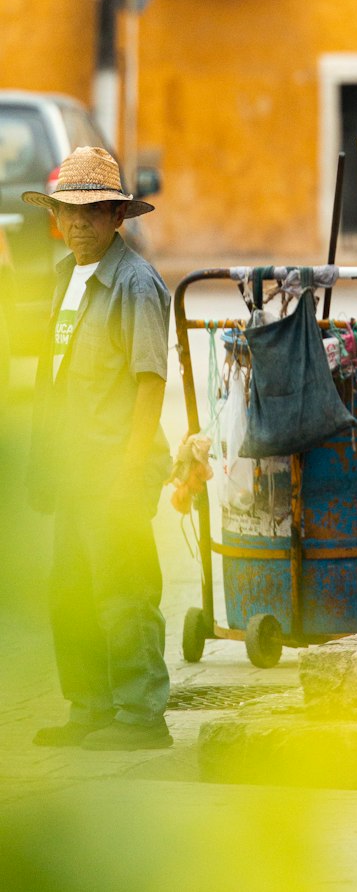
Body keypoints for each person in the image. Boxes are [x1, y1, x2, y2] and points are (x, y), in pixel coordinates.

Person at [23, 146, 173, 750]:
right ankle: (89, 708)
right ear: (56, 217)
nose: (79, 222)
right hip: (72, 465)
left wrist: (130, 471)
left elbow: (150, 385)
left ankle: (140, 717)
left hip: (115, 466)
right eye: (69, 211)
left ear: (118, 217)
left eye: (94, 211)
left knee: (124, 593)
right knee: (72, 594)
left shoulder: (135, 284)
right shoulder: (65, 277)